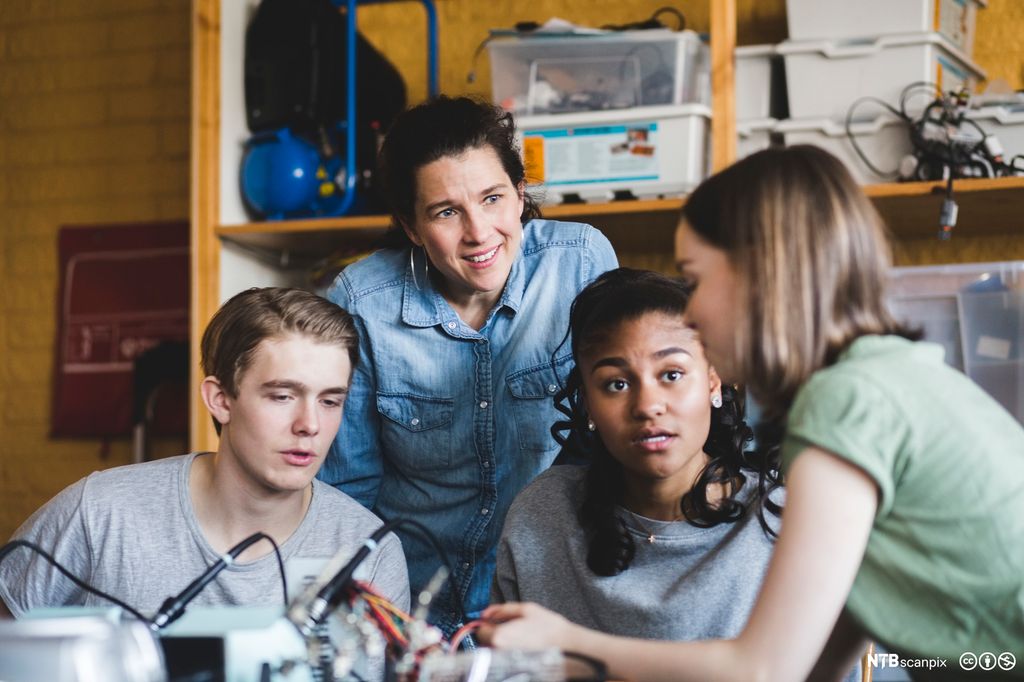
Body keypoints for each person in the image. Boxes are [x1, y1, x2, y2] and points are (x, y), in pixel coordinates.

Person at [480, 146, 1024, 681]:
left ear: (764, 275)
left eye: (696, 280)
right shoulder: (884, 378)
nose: (690, 312)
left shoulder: (846, 403)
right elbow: (828, 648)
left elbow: (762, 669)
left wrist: (566, 646)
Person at [318, 95, 618, 633]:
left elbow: (610, 453)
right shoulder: (363, 302)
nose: (479, 232)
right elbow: (348, 495)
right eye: (446, 212)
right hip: (410, 610)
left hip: (547, 609)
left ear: (520, 195)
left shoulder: (579, 263)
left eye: (493, 198)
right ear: (411, 226)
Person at [0, 287, 409, 623]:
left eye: (330, 401)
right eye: (283, 396)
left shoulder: (368, 552)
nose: (310, 425)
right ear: (220, 400)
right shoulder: (100, 514)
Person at [491, 267, 801, 643]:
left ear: (713, 381)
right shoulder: (542, 516)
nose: (647, 406)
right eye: (616, 384)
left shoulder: (782, 522)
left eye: (671, 374)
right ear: (588, 404)